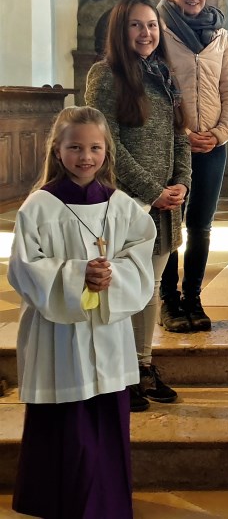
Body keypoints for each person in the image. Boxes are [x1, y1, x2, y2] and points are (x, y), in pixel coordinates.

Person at [8, 106, 156, 519]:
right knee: (65, 418)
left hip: (106, 332)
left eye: (95, 147)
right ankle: (58, 500)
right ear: (57, 150)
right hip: (57, 334)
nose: (85, 156)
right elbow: (24, 267)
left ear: (107, 151)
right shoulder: (39, 206)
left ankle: (106, 499)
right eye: (75, 147)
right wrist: (76, 277)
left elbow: (140, 254)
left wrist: (114, 275)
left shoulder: (121, 206)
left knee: (105, 413)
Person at [85, 0, 192, 413]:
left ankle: (143, 366)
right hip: (126, 203)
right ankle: (119, 374)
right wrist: (152, 191)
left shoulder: (163, 74)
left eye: (151, 25)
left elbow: (180, 135)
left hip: (165, 205)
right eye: (136, 25)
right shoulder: (105, 75)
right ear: (120, 30)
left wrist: (181, 181)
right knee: (122, 291)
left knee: (147, 290)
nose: (146, 33)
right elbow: (105, 142)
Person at [157, 0, 228, 333]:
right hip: (172, 148)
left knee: (202, 226)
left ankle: (193, 297)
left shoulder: (220, 35)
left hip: (211, 146)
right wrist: (181, 135)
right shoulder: (156, 31)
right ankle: (168, 300)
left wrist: (220, 132)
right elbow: (153, 93)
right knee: (169, 224)